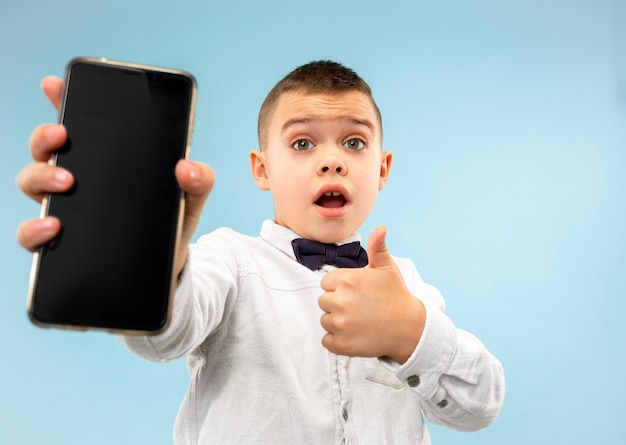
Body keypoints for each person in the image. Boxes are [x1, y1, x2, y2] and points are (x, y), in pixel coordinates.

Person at [17, 60, 505, 444]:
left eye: (354, 142)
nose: (331, 160)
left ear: (382, 169)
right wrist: (147, 249)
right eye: (302, 143)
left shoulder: (406, 284)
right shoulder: (230, 259)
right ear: (261, 169)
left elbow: (479, 406)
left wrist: (411, 335)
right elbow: (163, 338)